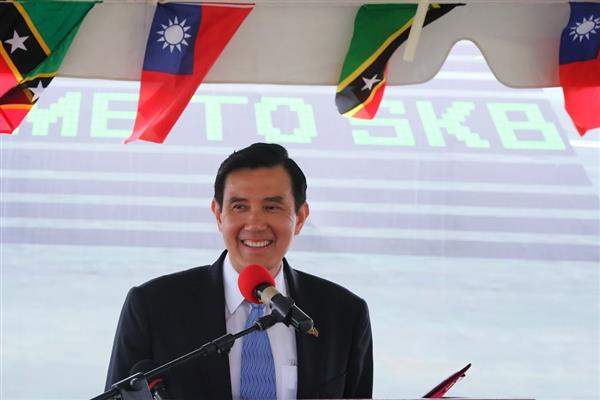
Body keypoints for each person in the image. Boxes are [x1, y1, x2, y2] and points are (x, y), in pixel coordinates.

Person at [105, 143, 373, 399]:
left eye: (271, 207)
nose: (255, 224)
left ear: (300, 217)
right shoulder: (153, 306)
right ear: (218, 214)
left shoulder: (345, 313)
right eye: (239, 207)